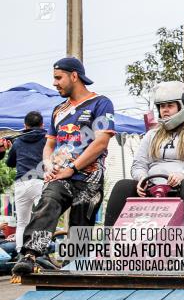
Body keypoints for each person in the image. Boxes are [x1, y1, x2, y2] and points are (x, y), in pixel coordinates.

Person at [12, 57, 114, 276]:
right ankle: (29, 256)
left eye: (59, 78)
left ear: (74, 76)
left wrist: (74, 168)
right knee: (47, 203)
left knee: (80, 233)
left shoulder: (101, 103)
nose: (55, 83)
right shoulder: (58, 110)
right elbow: (49, 143)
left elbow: (101, 141)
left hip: (89, 179)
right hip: (60, 177)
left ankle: (76, 272)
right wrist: (47, 164)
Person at [104, 81, 184, 227]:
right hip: (155, 190)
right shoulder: (151, 135)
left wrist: (183, 175)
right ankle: (107, 244)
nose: (165, 110)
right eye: (162, 106)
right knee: (122, 185)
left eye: (170, 105)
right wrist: (142, 178)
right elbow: (138, 165)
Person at [0, 111, 47, 250]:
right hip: (40, 182)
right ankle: (40, 252)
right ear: (42, 124)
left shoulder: (18, 140)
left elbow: (10, 163)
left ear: (24, 125)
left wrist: (10, 149)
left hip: (22, 182)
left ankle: (20, 252)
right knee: (43, 220)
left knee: (22, 222)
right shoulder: (47, 139)